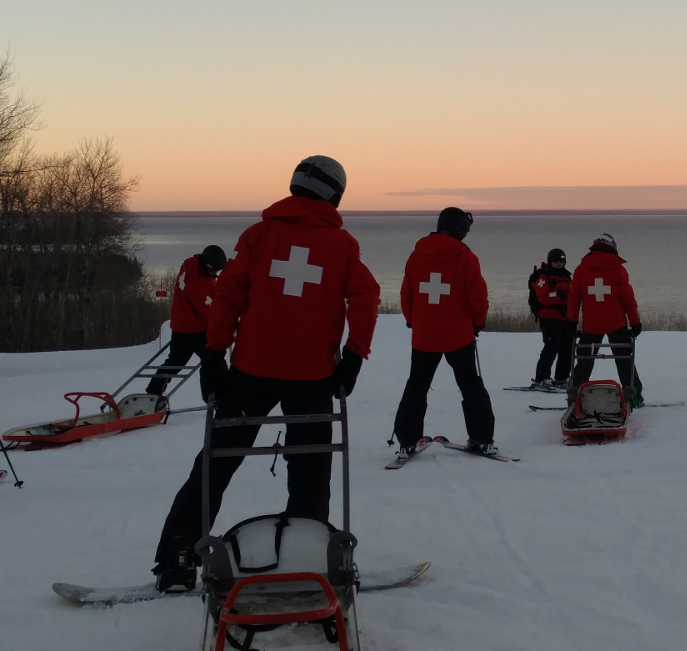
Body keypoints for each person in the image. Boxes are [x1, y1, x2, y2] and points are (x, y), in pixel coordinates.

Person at [150, 155, 379, 593]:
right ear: (335, 194)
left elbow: (228, 295)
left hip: (250, 372)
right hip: (313, 376)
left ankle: (178, 557)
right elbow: (366, 297)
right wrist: (353, 356)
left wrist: (213, 355)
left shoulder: (257, 236)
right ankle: (308, 557)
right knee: (310, 470)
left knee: (216, 462)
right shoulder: (342, 244)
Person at [392, 207, 498, 456]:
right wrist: (478, 323)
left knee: (417, 385)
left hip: (424, 335)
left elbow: (407, 293)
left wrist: (414, 320)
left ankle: (407, 441)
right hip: (458, 335)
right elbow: (477, 296)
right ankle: (481, 438)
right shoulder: (465, 257)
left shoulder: (417, 255)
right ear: (460, 230)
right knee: (471, 385)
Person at [567, 234, 643, 407]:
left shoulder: (581, 269)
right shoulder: (618, 269)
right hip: (616, 323)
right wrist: (635, 322)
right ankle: (634, 393)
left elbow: (574, 298)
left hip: (591, 324)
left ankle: (575, 392)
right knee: (624, 358)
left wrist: (571, 321)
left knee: (584, 359)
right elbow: (628, 299)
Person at [144, 246, 228, 402]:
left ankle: (153, 391)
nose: (215, 274)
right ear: (206, 266)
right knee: (214, 358)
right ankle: (215, 396)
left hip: (180, 326)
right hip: (195, 329)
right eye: (213, 270)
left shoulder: (189, 264)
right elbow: (209, 313)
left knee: (175, 362)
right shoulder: (200, 285)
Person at [527, 248, 574, 390]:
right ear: (550, 261)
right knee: (551, 347)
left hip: (565, 317)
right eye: (555, 261)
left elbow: (573, 295)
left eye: (561, 261)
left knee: (567, 348)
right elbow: (544, 297)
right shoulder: (543, 277)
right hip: (548, 317)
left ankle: (562, 377)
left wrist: (567, 297)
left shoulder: (566, 276)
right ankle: (541, 378)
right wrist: (560, 296)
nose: (558, 263)